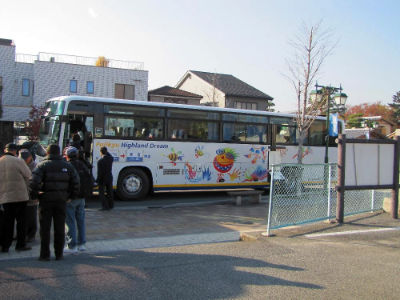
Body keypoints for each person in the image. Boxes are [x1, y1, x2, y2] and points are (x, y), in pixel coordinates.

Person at [30, 144, 80, 261]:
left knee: (45, 229)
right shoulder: (67, 166)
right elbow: (76, 183)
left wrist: (36, 195)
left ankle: (45, 254)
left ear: (47, 153)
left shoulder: (42, 165)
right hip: (61, 201)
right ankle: (59, 254)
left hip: (45, 201)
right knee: (60, 228)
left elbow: (33, 183)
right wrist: (70, 196)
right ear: (59, 153)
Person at [0, 143, 32, 253]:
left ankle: (5, 246)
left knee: (7, 222)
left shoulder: (0, 161)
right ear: (15, 151)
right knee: (21, 222)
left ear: (5, 150)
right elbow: (28, 175)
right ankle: (20, 244)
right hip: (20, 196)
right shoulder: (18, 161)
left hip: (5, 197)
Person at [64, 146, 91, 254]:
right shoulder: (82, 165)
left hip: (71, 198)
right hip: (82, 198)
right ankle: (82, 244)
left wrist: (68, 196)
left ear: (67, 156)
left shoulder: (68, 166)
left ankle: (72, 245)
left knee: (70, 221)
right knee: (81, 221)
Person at [19, 149, 38, 243]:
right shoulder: (19, 164)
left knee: (31, 217)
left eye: (25, 159)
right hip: (20, 194)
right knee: (22, 216)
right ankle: (22, 233)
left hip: (31, 195)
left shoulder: (35, 167)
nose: (24, 160)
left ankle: (31, 234)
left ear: (30, 157)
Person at [97, 146, 114, 211]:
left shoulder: (100, 161)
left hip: (103, 178)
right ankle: (111, 205)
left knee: (102, 193)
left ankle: (105, 206)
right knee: (110, 191)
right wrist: (106, 152)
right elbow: (109, 155)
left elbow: (99, 172)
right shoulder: (110, 159)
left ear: (101, 152)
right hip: (109, 177)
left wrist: (98, 179)